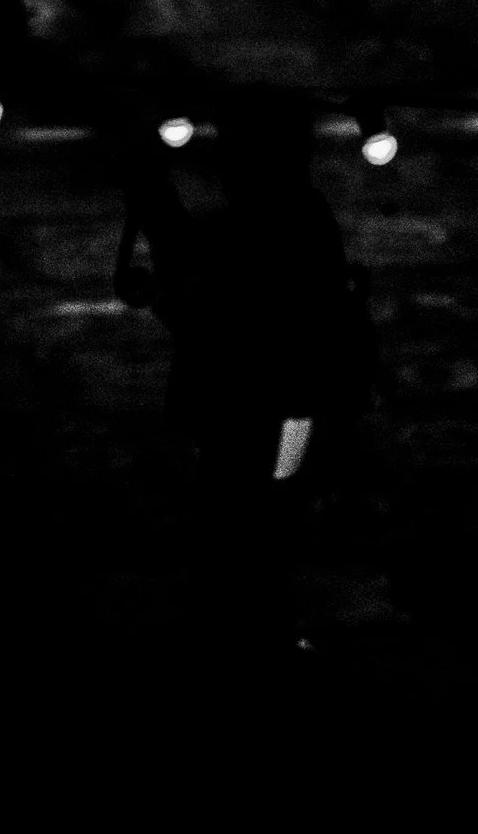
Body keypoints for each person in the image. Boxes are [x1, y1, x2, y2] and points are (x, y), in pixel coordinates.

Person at [114, 98, 371, 646]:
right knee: (262, 509)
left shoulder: (264, 224)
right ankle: (259, 613)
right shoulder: (301, 215)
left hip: (265, 405)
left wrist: (152, 188)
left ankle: (248, 623)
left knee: (247, 509)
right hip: (290, 402)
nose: (222, 167)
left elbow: (191, 277)